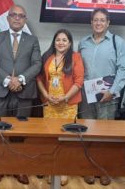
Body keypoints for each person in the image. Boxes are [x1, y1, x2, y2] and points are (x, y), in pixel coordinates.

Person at [0, 5, 42, 185]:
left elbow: (37, 64)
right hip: (0, 91)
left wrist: (20, 79)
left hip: (24, 92)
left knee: (20, 133)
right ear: (8, 18)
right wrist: (7, 80)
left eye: (21, 16)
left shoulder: (32, 40)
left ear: (25, 19)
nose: (17, 18)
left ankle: (19, 168)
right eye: (14, 15)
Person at [78, 8, 125, 186]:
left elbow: (123, 69)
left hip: (108, 95)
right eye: (95, 20)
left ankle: (104, 169)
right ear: (91, 22)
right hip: (86, 96)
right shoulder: (83, 42)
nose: (98, 23)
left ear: (108, 23)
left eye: (102, 20)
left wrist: (113, 91)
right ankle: (89, 169)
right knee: (88, 134)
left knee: (105, 135)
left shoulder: (117, 42)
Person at [36, 29, 84, 186]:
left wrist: (64, 98)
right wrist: (46, 96)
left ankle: (63, 170)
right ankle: (50, 168)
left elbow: (79, 81)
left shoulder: (76, 58)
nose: (61, 42)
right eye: (58, 40)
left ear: (69, 43)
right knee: (49, 137)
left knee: (66, 138)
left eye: (64, 40)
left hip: (67, 105)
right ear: (54, 41)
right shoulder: (47, 57)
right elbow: (39, 79)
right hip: (49, 104)